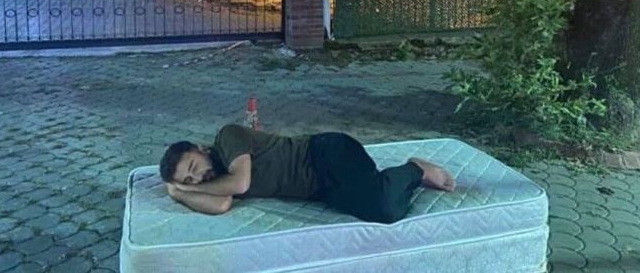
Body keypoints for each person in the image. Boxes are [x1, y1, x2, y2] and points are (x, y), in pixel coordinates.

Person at [159, 124, 456, 224]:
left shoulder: (228, 137)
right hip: (321, 190)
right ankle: (399, 176)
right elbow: (221, 205)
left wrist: (186, 189)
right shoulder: (216, 185)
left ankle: (415, 168)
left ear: (200, 149)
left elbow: (241, 183)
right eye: (190, 180)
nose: (199, 178)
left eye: (194, 168)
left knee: (382, 207)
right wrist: (179, 194)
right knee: (386, 211)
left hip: (326, 153)